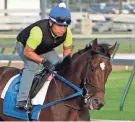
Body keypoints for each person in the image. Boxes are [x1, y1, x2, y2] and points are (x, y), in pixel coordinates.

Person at [16, 2, 72, 110]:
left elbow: (67, 49)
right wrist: (43, 61)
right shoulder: (38, 32)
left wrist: (66, 64)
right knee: (33, 66)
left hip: (44, 47)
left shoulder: (67, 32)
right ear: (51, 22)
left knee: (58, 64)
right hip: (25, 47)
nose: (62, 29)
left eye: (65, 26)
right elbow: (28, 52)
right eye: (59, 25)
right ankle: (22, 99)